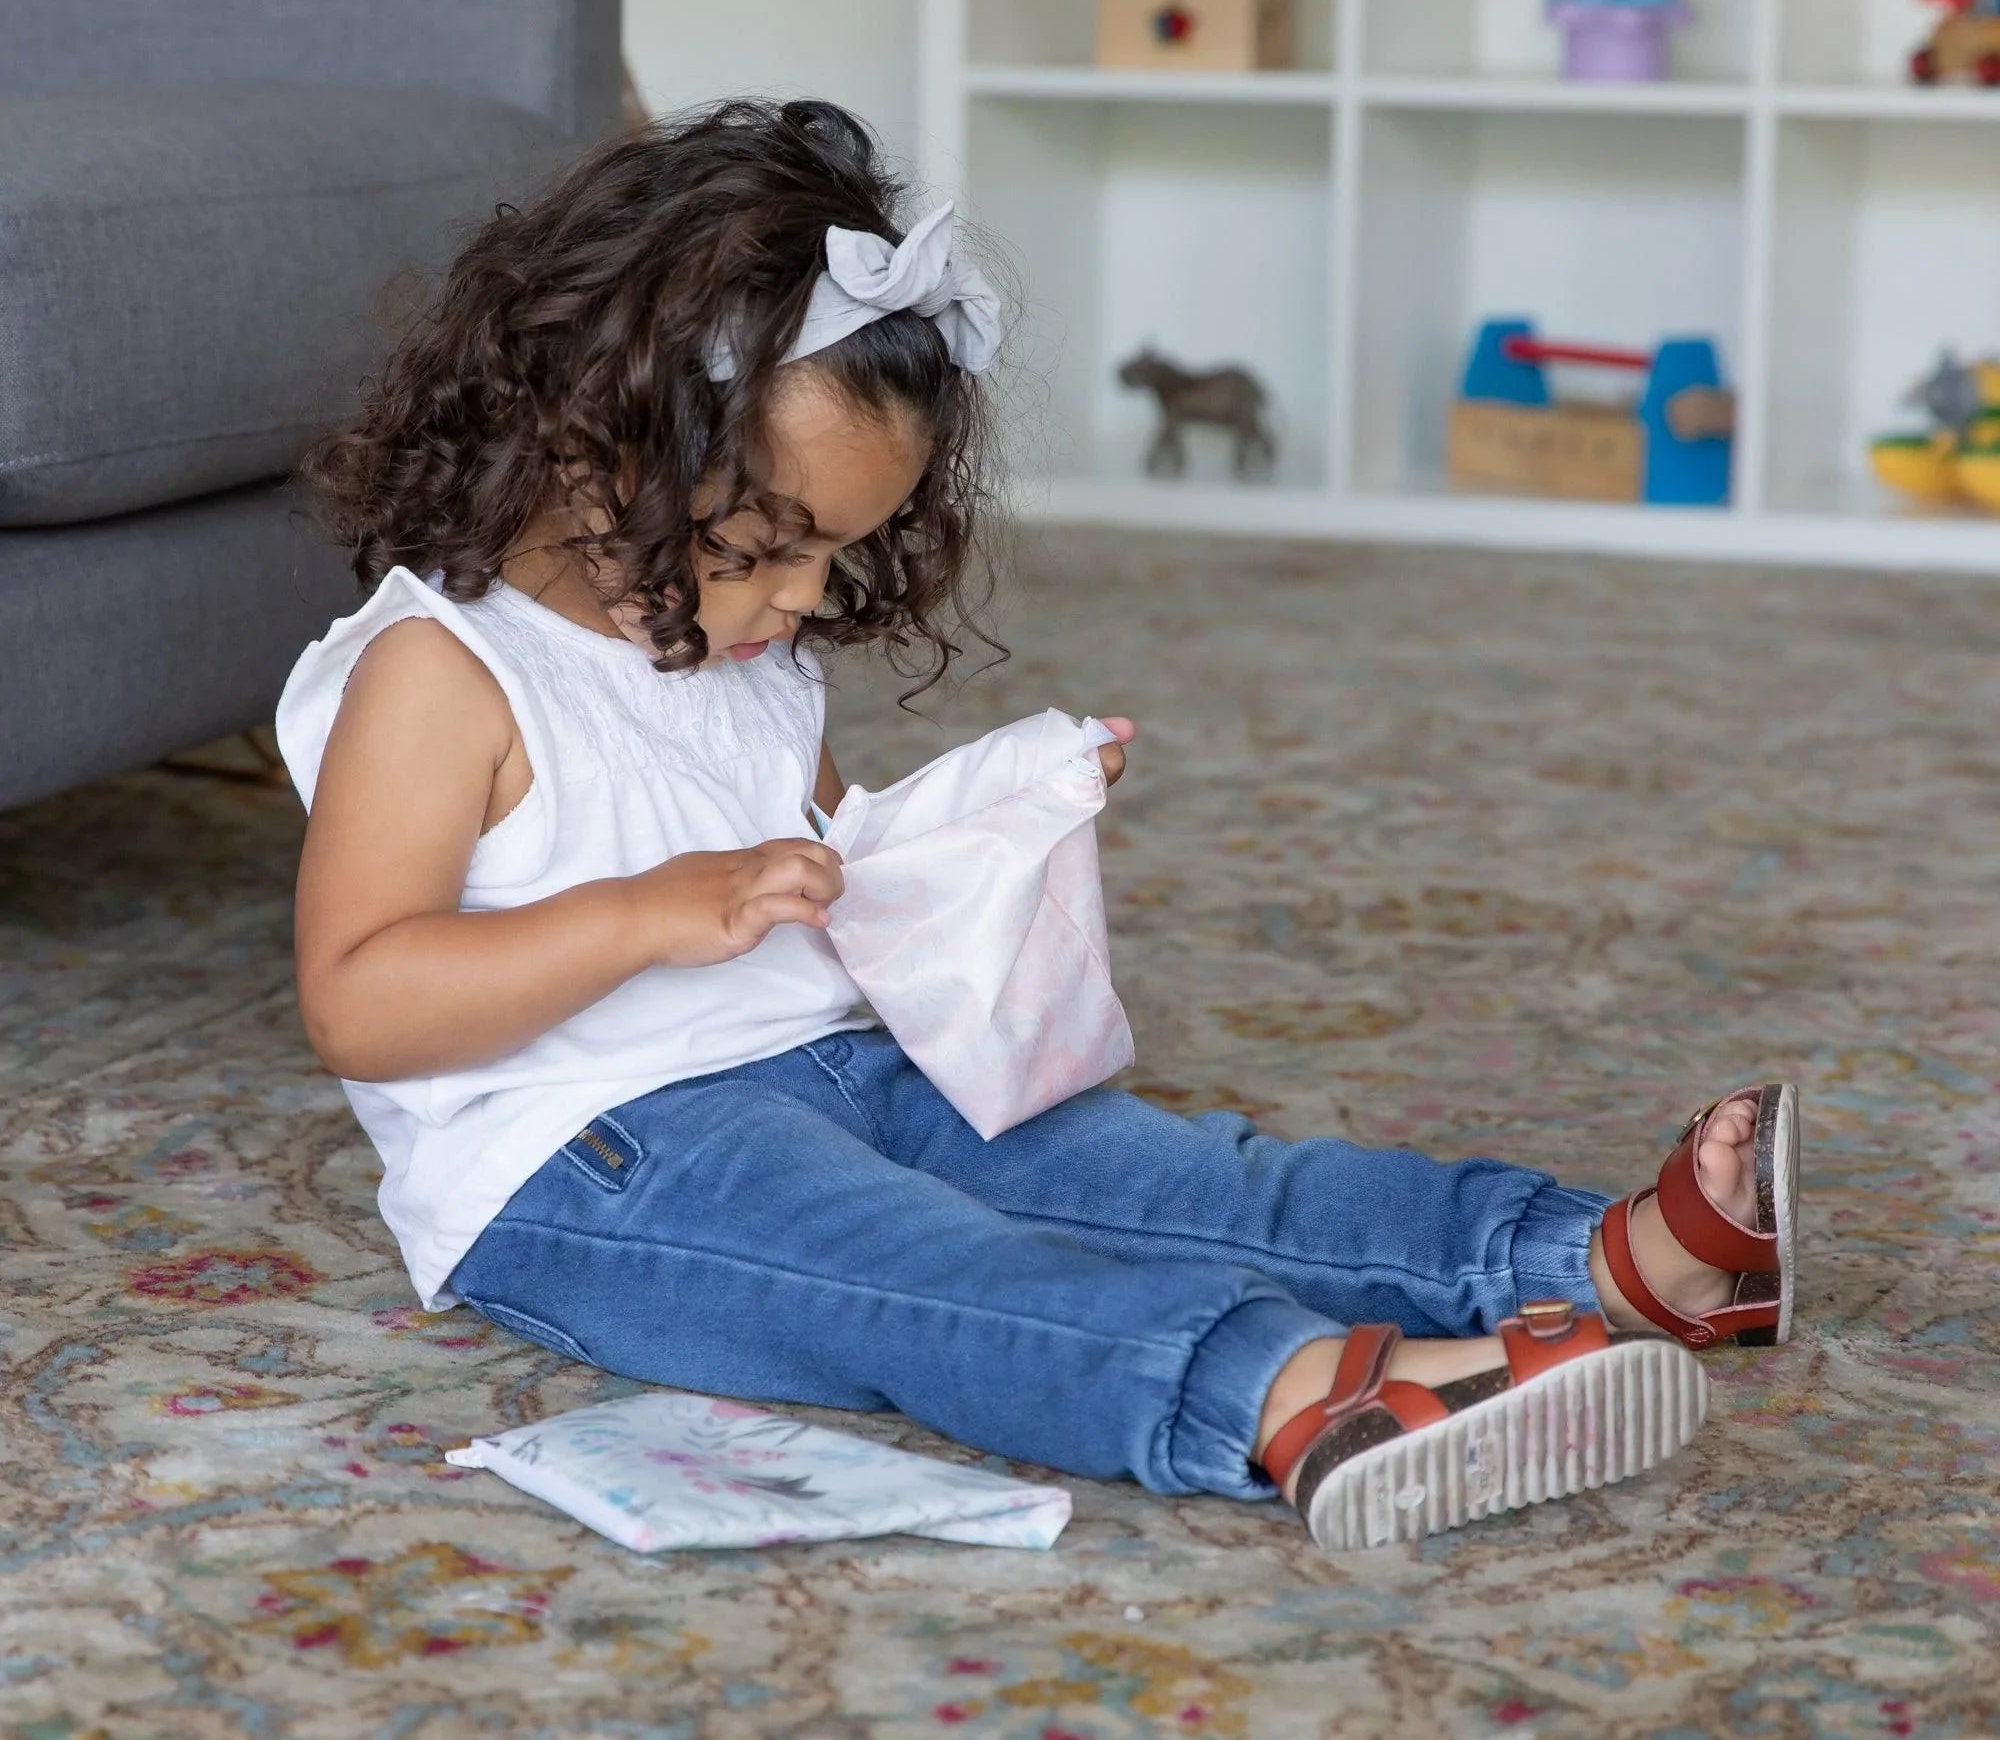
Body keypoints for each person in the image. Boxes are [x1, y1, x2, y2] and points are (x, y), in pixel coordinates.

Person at [278, 99, 1797, 1553]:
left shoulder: (737, 640)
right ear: (590, 441)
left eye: (836, 555)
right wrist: (641, 916)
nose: (806, 599)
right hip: (590, 1163)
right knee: (931, 1273)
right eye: (768, 546)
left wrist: (975, 826)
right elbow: (361, 998)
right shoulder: (442, 671)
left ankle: (1594, 1264)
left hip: (842, 1065)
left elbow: (801, 870)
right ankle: (1286, 1398)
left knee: (1171, 1174)